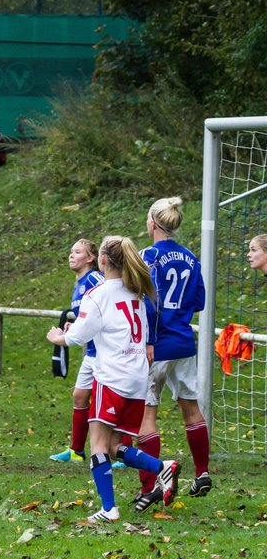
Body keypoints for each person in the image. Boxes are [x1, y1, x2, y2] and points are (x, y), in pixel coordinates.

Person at [47, 235, 179, 524]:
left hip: (113, 377)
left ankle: (109, 508)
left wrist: (60, 337)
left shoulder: (99, 293)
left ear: (102, 260)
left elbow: (78, 336)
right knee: (112, 446)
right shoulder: (136, 293)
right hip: (136, 378)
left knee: (97, 445)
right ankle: (162, 467)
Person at [135, 197, 212, 507]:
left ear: (153, 222)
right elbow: (200, 301)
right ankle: (203, 473)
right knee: (190, 407)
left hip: (158, 344)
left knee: (146, 412)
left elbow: (150, 302)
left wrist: (151, 339)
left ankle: (150, 485)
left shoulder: (147, 256)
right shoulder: (192, 258)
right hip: (183, 341)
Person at [49, 239, 105, 464]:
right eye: (71, 251)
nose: (71, 255)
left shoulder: (96, 279)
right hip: (91, 350)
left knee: (109, 401)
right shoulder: (80, 282)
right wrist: (77, 326)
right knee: (79, 396)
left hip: (105, 352)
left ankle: (120, 451)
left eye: (78, 252)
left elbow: (108, 306)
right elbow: (88, 315)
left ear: (91, 258)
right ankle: (76, 451)